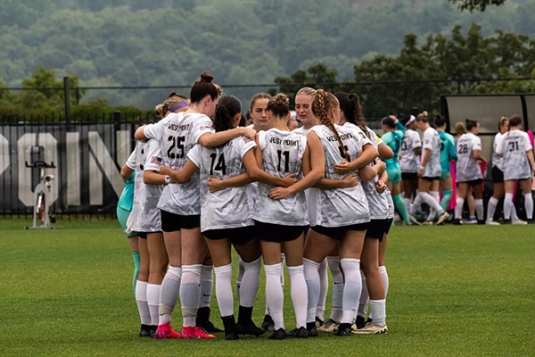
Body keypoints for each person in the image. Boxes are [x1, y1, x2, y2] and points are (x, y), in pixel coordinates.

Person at [160, 95, 293, 339]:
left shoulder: (202, 146)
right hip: (240, 216)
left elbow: (182, 176)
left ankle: (229, 328)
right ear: (237, 117)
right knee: (252, 264)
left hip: (212, 217)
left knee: (222, 271)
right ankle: (244, 318)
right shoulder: (242, 140)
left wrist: (168, 171)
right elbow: (253, 173)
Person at [135, 72, 256, 339]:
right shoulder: (200, 120)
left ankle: (163, 325)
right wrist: (242, 130)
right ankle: (189, 325)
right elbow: (207, 141)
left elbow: (140, 132)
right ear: (209, 100)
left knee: (174, 267)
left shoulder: (169, 119)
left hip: (168, 203)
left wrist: (169, 168)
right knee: (189, 268)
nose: (215, 110)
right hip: (191, 203)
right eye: (216, 103)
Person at [303, 89, 381, 337]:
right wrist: (354, 166)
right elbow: (374, 151)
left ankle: (308, 321)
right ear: (335, 110)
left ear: (317, 111)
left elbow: (312, 177)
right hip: (358, 208)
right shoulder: (355, 130)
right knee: (350, 264)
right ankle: (347, 322)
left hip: (331, 210)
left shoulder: (314, 134)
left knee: (309, 263)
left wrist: (339, 174)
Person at [253, 93, 326, 339]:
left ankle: (279, 326)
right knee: (296, 271)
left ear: (271, 114)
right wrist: (291, 189)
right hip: (295, 213)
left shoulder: (262, 137)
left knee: (273, 271)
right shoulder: (301, 140)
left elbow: (257, 172)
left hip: (268, 210)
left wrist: (278, 184)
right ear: (290, 115)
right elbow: (308, 175)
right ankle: (303, 325)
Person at [335, 92, 393, 334]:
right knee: (376, 265)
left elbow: (369, 172)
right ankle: (364, 315)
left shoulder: (350, 133)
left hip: (372, 207)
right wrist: (381, 165)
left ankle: (378, 321)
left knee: (369, 266)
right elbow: (387, 153)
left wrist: (375, 166)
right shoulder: (366, 131)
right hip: (382, 205)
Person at [121, 146, 151, 337]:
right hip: (134, 206)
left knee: (141, 263)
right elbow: (126, 172)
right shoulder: (154, 142)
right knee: (146, 264)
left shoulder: (143, 143)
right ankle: (147, 317)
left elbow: (125, 172)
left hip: (125, 204)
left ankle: (146, 317)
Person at [409, 112, 450, 225]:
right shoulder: (435, 132)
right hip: (437, 166)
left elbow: (428, 150)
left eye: (418, 125)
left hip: (429, 167)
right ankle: (429, 218)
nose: (418, 128)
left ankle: (441, 212)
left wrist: (422, 166)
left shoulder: (427, 133)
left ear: (421, 122)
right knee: (433, 192)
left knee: (422, 192)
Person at [486, 116, 526, 225]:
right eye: (507, 126)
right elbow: (500, 152)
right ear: (501, 126)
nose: (509, 128)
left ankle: (514, 218)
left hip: (504, 168)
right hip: (499, 168)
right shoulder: (500, 137)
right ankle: (489, 219)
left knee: (507, 193)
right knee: (498, 193)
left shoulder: (506, 136)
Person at [497, 115, 535, 223]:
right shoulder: (524, 135)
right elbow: (528, 150)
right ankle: (530, 218)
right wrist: (533, 165)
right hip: (522, 165)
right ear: (519, 124)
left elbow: (498, 152)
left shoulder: (504, 136)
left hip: (509, 166)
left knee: (508, 193)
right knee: (527, 193)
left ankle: (507, 218)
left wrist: (507, 154)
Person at [381, 116, 413, 225]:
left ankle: (391, 222)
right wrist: (397, 121)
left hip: (389, 168)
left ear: (385, 125)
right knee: (397, 196)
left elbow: (379, 151)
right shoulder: (399, 134)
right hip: (397, 167)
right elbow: (404, 130)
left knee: (388, 196)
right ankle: (407, 220)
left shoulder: (385, 137)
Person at [454, 119, 487, 225]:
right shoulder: (475, 139)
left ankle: (456, 218)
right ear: (473, 128)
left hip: (461, 169)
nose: (478, 129)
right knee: (478, 195)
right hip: (472, 169)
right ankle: (481, 218)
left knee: (461, 195)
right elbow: (476, 155)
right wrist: (483, 159)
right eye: (477, 127)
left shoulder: (461, 139)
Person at [454, 122, 477, 223]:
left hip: (459, 168)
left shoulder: (456, 140)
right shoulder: (470, 139)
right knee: (469, 193)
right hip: (470, 168)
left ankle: (457, 216)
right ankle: (472, 216)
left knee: (459, 193)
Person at [435, 115, 457, 218]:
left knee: (434, 193)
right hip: (444, 168)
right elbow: (453, 155)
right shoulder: (449, 137)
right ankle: (441, 213)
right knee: (448, 192)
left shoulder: (432, 135)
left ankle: (433, 215)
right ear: (445, 125)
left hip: (433, 168)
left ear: (435, 125)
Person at [399, 115, 422, 215]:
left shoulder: (402, 134)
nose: (416, 123)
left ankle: (406, 213)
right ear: (410, 123)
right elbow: (417, 150)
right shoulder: (414, 134)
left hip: (403, 164)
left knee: (407, 191)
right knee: (420, 189)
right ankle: (412, 212)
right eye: (415, 121)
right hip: (412, 165)